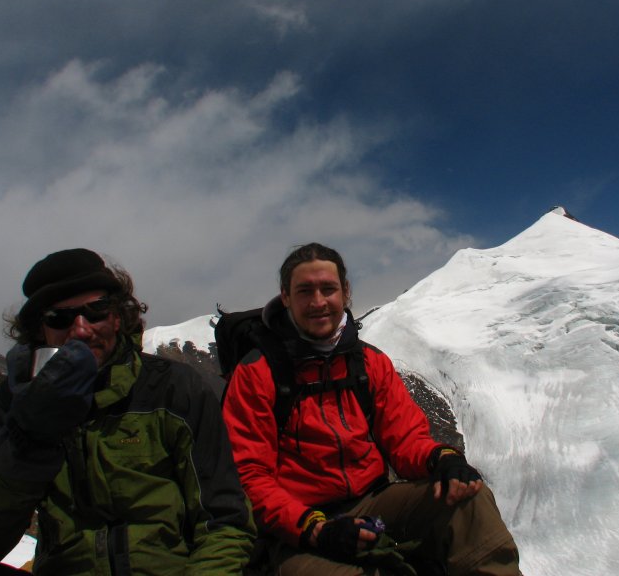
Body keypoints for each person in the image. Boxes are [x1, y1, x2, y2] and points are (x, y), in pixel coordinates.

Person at [222, 243, 519, 575]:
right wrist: (315, 528)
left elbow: (405, 439)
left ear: (346, 293)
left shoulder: (369, 363)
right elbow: (250, 477)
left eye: (328, 289)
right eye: (305, 291)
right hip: (298, 526)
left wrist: (443, 458)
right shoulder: (257, 373)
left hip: (373, 504)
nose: (318, 302)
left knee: (469, 501)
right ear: (286, 297)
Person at [0, 248, 256, 575]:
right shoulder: (16, 403)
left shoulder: (173, 388)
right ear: (39, 329)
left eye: (97, 311)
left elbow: (224, 520)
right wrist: (29, 437)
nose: (82, 329)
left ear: (118, 315)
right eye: (60, 318)